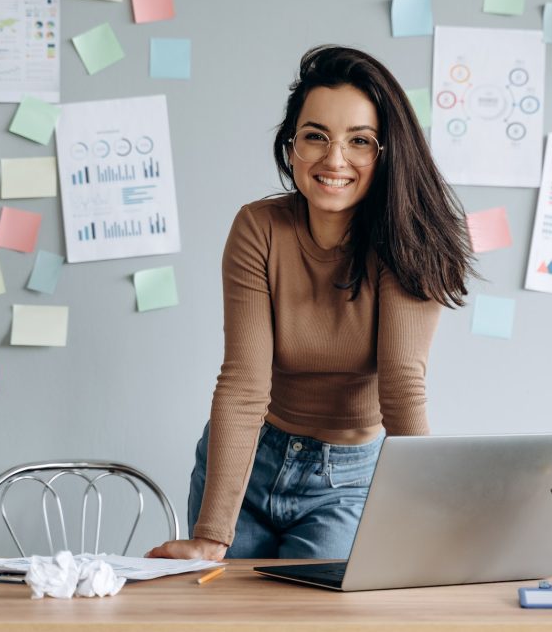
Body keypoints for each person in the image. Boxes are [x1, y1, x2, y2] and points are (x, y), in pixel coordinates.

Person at [146, 45, 474, 562]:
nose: (334, 159)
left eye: (360, 141)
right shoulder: (259, 228)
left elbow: (402, 389)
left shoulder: (411, 243)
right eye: (315, 136)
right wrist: (211, 536)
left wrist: (434, 530)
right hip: (246, 464)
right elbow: (243, 383)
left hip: (345, 482)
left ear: (386, 153)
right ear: (291, 146)